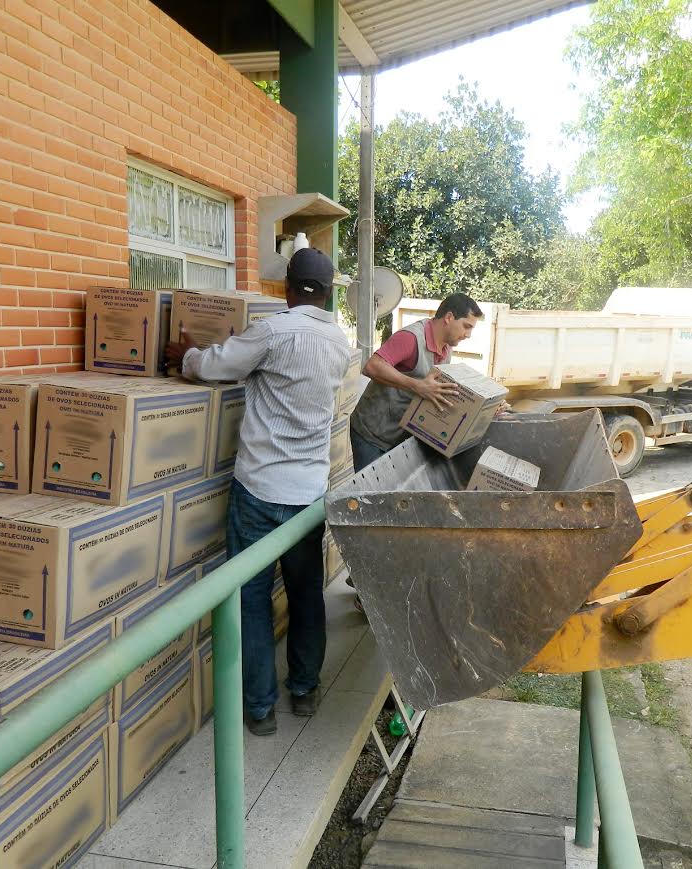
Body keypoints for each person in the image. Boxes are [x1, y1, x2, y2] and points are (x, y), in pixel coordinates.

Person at [165, 248, 350, 736]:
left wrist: (182, 354)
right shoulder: (339, 341)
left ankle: (261, 708)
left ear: (286, 287)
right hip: (309, 493)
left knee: (250, 598)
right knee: (307, 595)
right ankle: (305, 691)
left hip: (260, 489)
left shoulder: (272, 331)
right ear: (328, 293)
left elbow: (210, 366)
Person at [349, 292, 484, 471]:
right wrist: (418, 386)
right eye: (466, 326)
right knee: (370, 495)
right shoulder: (410, 338)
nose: (468, 335)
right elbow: (372, 366)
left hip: (398, 435)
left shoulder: (446, 348)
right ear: (449, 317)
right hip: (371, 433)